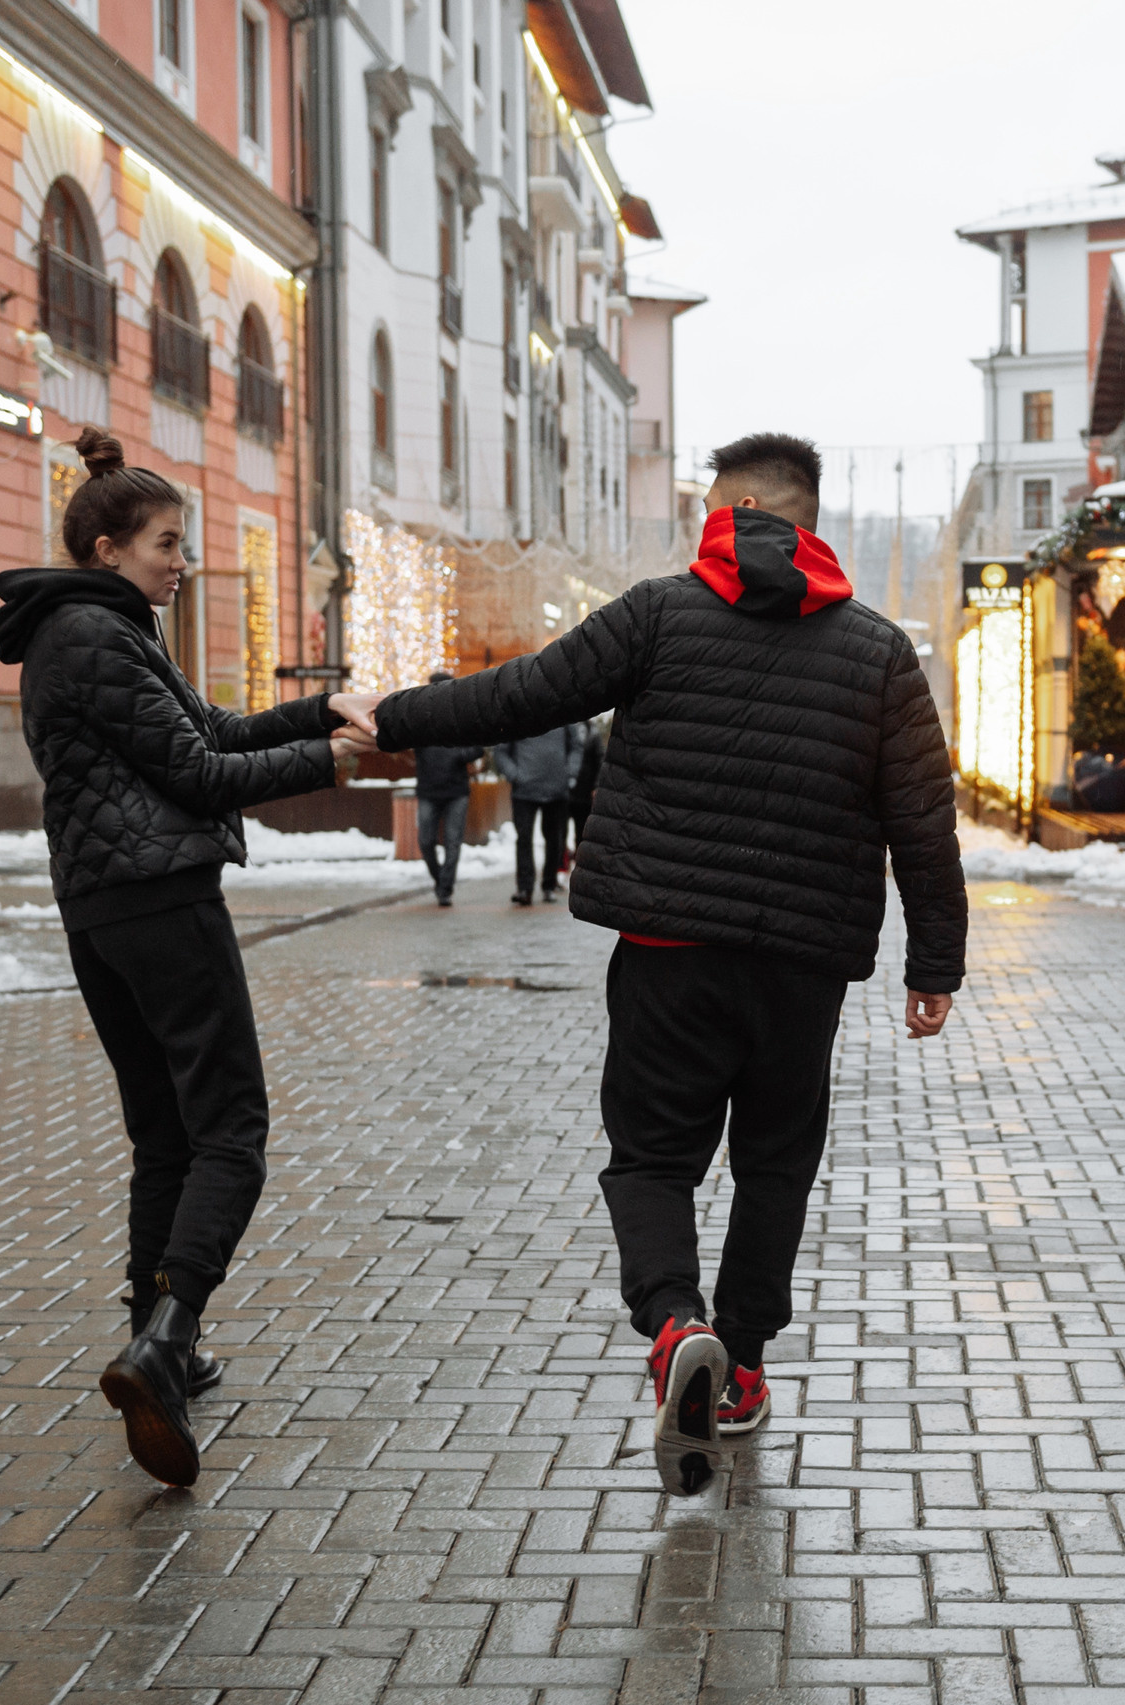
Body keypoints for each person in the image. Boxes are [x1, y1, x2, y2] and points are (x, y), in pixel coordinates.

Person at [350, 431, 965, 1497]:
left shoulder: (658, 613)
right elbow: (923, 817)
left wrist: (391, 717)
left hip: (668, 955)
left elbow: (524, 694)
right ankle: (742, 1367)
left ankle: (677, 1323)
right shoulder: (877, 652)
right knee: (774, 1164)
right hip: (800, 971)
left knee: (650, 1160)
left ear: (739, 513)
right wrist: (935, 964)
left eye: (711, 509)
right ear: (811, 522)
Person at [0, 426, 378, 1489]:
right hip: (161, 903)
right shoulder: (95, 635)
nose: (182, 561)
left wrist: (321, 710)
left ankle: (159, 1340)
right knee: (230, 1131)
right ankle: (166, 1337)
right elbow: (201, 773)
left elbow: (209, 727)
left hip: (103, 910)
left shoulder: (90, 630)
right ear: (107, 547)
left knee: (163, 1132)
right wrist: (329, 759)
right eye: (166, 543)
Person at [410, 672, 484, 907]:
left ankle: (444, 889)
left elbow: (478, 747)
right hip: (428, 790)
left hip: (456, 792)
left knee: (453, 843)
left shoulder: (462, 716)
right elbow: (407, 741)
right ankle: (441, 879)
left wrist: (458, 755)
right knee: (425, 841)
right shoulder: (421, 717)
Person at [496, 722, 580, 905]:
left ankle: (549, 884)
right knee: (524, 838)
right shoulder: (517, 713)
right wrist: (514, 774)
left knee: (555, 839)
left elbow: (576, 746)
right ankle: (525, 888)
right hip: (524, 791)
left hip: (556, 790)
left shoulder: (563, 711)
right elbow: (501, 751)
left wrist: (570, 772)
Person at [564, 717, 604, 874]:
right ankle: (562, 864)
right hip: (564, 790)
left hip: (584, 792)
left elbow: (600, 759)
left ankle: (579, 864)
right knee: (559, 831)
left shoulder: (592, 732)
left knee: (581, 831)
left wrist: (596, 785)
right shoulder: (565, 727)